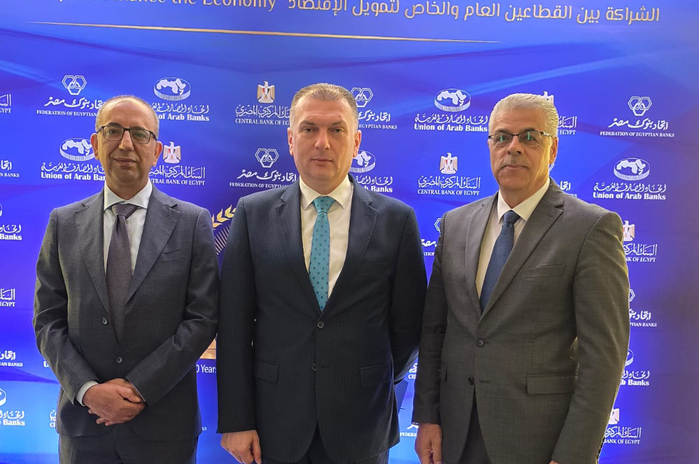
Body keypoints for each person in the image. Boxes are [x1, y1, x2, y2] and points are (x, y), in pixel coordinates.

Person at [413, 93, 630, 464]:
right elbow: (435, 331)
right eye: (502, 137)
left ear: (553, 149)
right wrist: (428, 417)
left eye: (529, 137)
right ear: (490, 146)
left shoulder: (591, 228)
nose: (513, 147)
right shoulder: (455, 224)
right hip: (456, 434)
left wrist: (573, 454)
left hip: (539, 442)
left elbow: (603, 359)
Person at [217, 83, 427, 464]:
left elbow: (408, 329)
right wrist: (235, 419)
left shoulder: (397, 221)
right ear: (290, 139)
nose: (322, 142)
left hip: (361, 423)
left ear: (356, 141)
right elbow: (234, 327)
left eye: (337, 129)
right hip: (274, 423)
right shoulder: (252, 214)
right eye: (309, 128)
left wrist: (367, 377)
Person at [33, 95, 219, 464]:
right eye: (113, 131)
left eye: (139, 134)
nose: (126, 144)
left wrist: (138, 388)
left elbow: (203, 319)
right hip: (84, 425)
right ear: (95, 144)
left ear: (157, 150)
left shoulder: (192, 222)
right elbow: (47, 321)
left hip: (165, 428)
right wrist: (88, 390)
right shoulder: (63, 223)